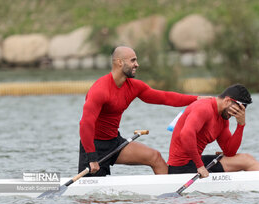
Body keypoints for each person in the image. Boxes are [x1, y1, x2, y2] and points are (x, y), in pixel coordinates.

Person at [78, 46, 201, 176]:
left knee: (155, 157)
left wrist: (196, 99)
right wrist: (91, 157)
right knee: (94, 196)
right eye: (133, 60)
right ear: (120, 62)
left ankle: (170, 195)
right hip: (93, 146)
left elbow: (165, 97)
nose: (137, 64)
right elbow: (85, 124)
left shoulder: (134, 86)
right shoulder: (100, 90)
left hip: (114, 142)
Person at [167, 84, 259, 177]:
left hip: (195, 162)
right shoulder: (203, 108)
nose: (235, 115)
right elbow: (185, 134)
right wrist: (200, 166)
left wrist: (241, 125)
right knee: (244, 162)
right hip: (180, 168)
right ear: (227, 101)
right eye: (236, 110)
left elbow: (229, 152)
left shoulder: (223, 117)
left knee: (246, 158)